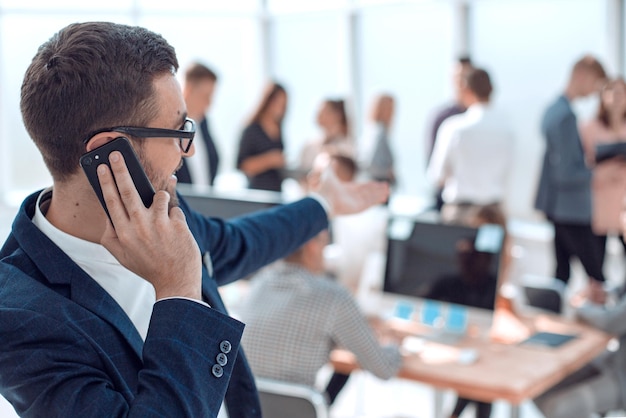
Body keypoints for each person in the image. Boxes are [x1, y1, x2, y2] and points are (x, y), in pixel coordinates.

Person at [0, 22, 389, 418]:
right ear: (111, 153)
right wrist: (180, 292)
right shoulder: (20, 316)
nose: (186, 151)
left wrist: (323, 204)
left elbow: (240, 243)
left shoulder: (163, 209)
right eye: (177, 131)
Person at [238, 228, 402, 406]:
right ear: (312, 246)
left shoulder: (258, 284)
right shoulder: (333, 297)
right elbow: (384, 369)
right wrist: (394, 343)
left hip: (246, 408)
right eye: (326, 243)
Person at [534, 55, 608, 285]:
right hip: (571, 209)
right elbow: (565, 172)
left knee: (561, 274)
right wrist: (598, 173)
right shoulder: (566, 116)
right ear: (582, 76)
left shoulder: (554, 109)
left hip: (557, 205)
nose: (597, 92)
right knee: (596, 275)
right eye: (596, 83)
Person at [427, 67, 514, 227]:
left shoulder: (454, 127)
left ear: (466, 90)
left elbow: (437, 175)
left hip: (460, 214)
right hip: (494, 213)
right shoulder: (508, 129)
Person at [533, 280, 626, 417]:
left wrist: (579, 306)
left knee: (559, 408)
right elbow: (620, 291)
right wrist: (606, 293)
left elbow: (609, 321)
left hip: (621, 377)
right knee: (539, 389)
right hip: (612, 361)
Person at [579, 77, 626, 265]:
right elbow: (580, 164)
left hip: (623, 202)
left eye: (621, 92)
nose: (617, 97)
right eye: (612, 91)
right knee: (596, 262)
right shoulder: (589, 128)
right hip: (599, 202)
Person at [425, 55, 473, 211]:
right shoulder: (442, 118)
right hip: (450, 200)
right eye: (457, 77)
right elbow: (433, 166)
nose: (461, 83)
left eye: (465, 77)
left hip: (479, 200)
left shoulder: (482, 119)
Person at [236, 81, 288, 192]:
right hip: (257, 193)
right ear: (267, 101)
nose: (279, 108)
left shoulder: (279, 129)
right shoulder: (251, 130)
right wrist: (270, 160)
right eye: (277, 103)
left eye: (283, 105)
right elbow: (242, 165)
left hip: (276, 194)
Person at [177, 62, 220, 186]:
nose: (209, 103)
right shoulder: (171, 126)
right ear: (189, 90)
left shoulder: (203, 124)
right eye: (206, 96)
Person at [299, 98, 354, 173]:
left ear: (337, 115)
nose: (318, 114)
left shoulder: (347, 146)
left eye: (323, 111)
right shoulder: (309, 145)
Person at [358, 94, 397, 185]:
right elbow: (371, 163)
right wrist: (387, 173)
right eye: (389, 108)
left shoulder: (369, 130)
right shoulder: (379, 132)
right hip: (378, 184)